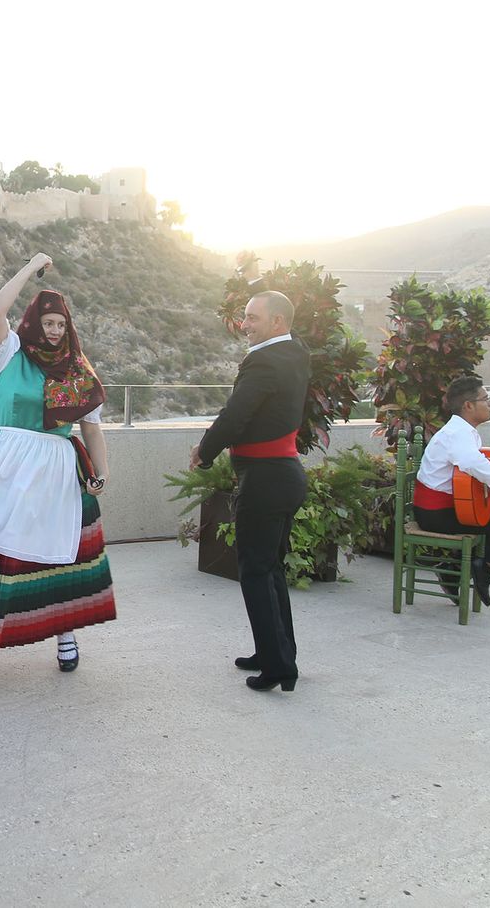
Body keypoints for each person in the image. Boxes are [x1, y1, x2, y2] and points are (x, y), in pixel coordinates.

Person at [0, 254, 115, 692]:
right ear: (34, 321)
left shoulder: (78, 369)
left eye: (60, 324)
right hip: (10, 465)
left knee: (61, 559)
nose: (53, 330)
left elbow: (91, 427)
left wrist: (101, 474)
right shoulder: (9, 352)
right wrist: (32, 266)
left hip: (59, 468)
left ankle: (65, 635)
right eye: (47, 322)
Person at [191, 290, 308, 693]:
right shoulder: (296, 353)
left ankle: (278, 669)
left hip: (265, 478)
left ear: (278, 322)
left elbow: (236, 415)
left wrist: (204, 452)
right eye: (245, 316)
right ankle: (275, 652)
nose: (245, 324)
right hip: (285, 475)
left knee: (256, 572)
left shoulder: (263, 361)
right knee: (270, 569)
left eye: (253, 317)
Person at [412, 376, 490, 606]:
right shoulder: (458, 434)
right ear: (468, 405)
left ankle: (453, 568)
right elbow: (472, 464)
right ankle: (485, 569)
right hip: (438, 514)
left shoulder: (462, 430)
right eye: (486, 399)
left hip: (444, 508)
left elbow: (469, 477)